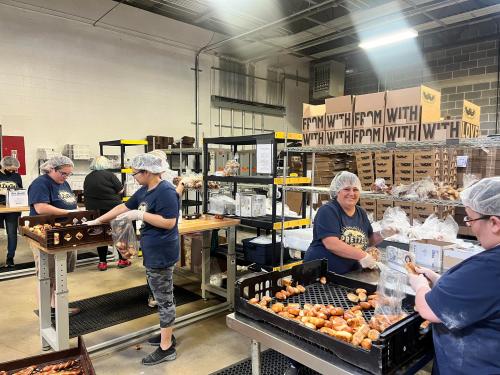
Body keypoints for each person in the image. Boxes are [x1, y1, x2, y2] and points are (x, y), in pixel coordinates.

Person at [287, 171, 397, 375]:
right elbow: (332, 243)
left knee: (337, 319)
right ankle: (295, 361)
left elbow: (366, 240)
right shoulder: (328, 211)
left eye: (355, 189)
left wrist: (383, 234)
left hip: (347, 277)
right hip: (319, 275)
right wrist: (361, 256)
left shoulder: (361, 213)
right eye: (346, 189)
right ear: (336, 191)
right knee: (309, 316)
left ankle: (332, 358)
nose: (351, 193)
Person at [86, 153, 180, 366]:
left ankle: (167, 348)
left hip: (162, 251)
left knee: (164, 299)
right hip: (152, 249)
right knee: (159, 292)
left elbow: (169, 222)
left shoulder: (166, 192)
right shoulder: (146, 190)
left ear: (147, 172)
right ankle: (167, 335)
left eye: (136, 173)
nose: (134, 177)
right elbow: (124, 206)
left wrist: (140, 216)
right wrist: (99, 220)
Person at [408, 177, 500, 374]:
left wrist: (420, 285)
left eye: (470, 219)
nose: (471, 227)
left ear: (494, 222)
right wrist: (438, 279)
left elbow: (429, 311)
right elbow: (480, 296)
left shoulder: (491, 266)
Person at [28, 155, 81, 316]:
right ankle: (46, 310)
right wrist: (68, 212)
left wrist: (76, 212)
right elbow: (41, 207)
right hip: (47, 233)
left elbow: (70, 201)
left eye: (68, 174)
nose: (65, 177)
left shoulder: (63, 183)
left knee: (60, 271)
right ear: (51, 169)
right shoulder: (40, 183)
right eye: (63, 173)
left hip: (65, 231)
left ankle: (56, 306)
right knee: (47, 273)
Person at [83, 156, 129, 271]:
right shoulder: (110, 175)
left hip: (95, 210)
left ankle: (102, 262)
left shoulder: (88, 177)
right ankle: (123, 260)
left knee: (100, 234)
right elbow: (120, 190)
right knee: (118, 234)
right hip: (112, 209)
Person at [0, 156, 23, 267]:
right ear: (4, 166)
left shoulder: (16, 176)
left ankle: (10, 258)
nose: (12, 171)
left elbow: (20, 190)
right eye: (10, 169)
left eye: (14, 169)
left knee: (12, 234)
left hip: (13, 209)